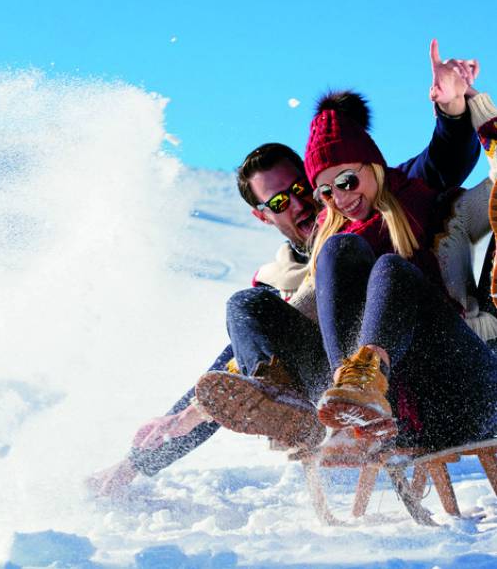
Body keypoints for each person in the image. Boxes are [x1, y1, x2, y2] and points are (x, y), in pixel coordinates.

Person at [88, 41, 481, 496]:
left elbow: (445, 158)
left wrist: (453, 109)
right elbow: (230, 374)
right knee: (245, 307)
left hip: (419, 369)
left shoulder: (382, 200)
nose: (300, 204)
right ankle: (304, 410)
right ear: (264, 216)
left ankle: (352, 403)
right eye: (279, 201)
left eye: (301, 188)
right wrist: (138, 460)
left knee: (345, 254)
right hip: (332, 385)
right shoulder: (281, 280)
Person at [302, 85, 497, 450]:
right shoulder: (333, 244)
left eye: (346, 181)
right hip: (400, 418)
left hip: (466, 388)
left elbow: (453, 155)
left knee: (393, 269)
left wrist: (456, 107)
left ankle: (361, 387)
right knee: (337, 249)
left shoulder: (418, 195)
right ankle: (351, 402)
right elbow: (298, 307)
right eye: (326, 192)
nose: (340, 198)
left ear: (373, 165)